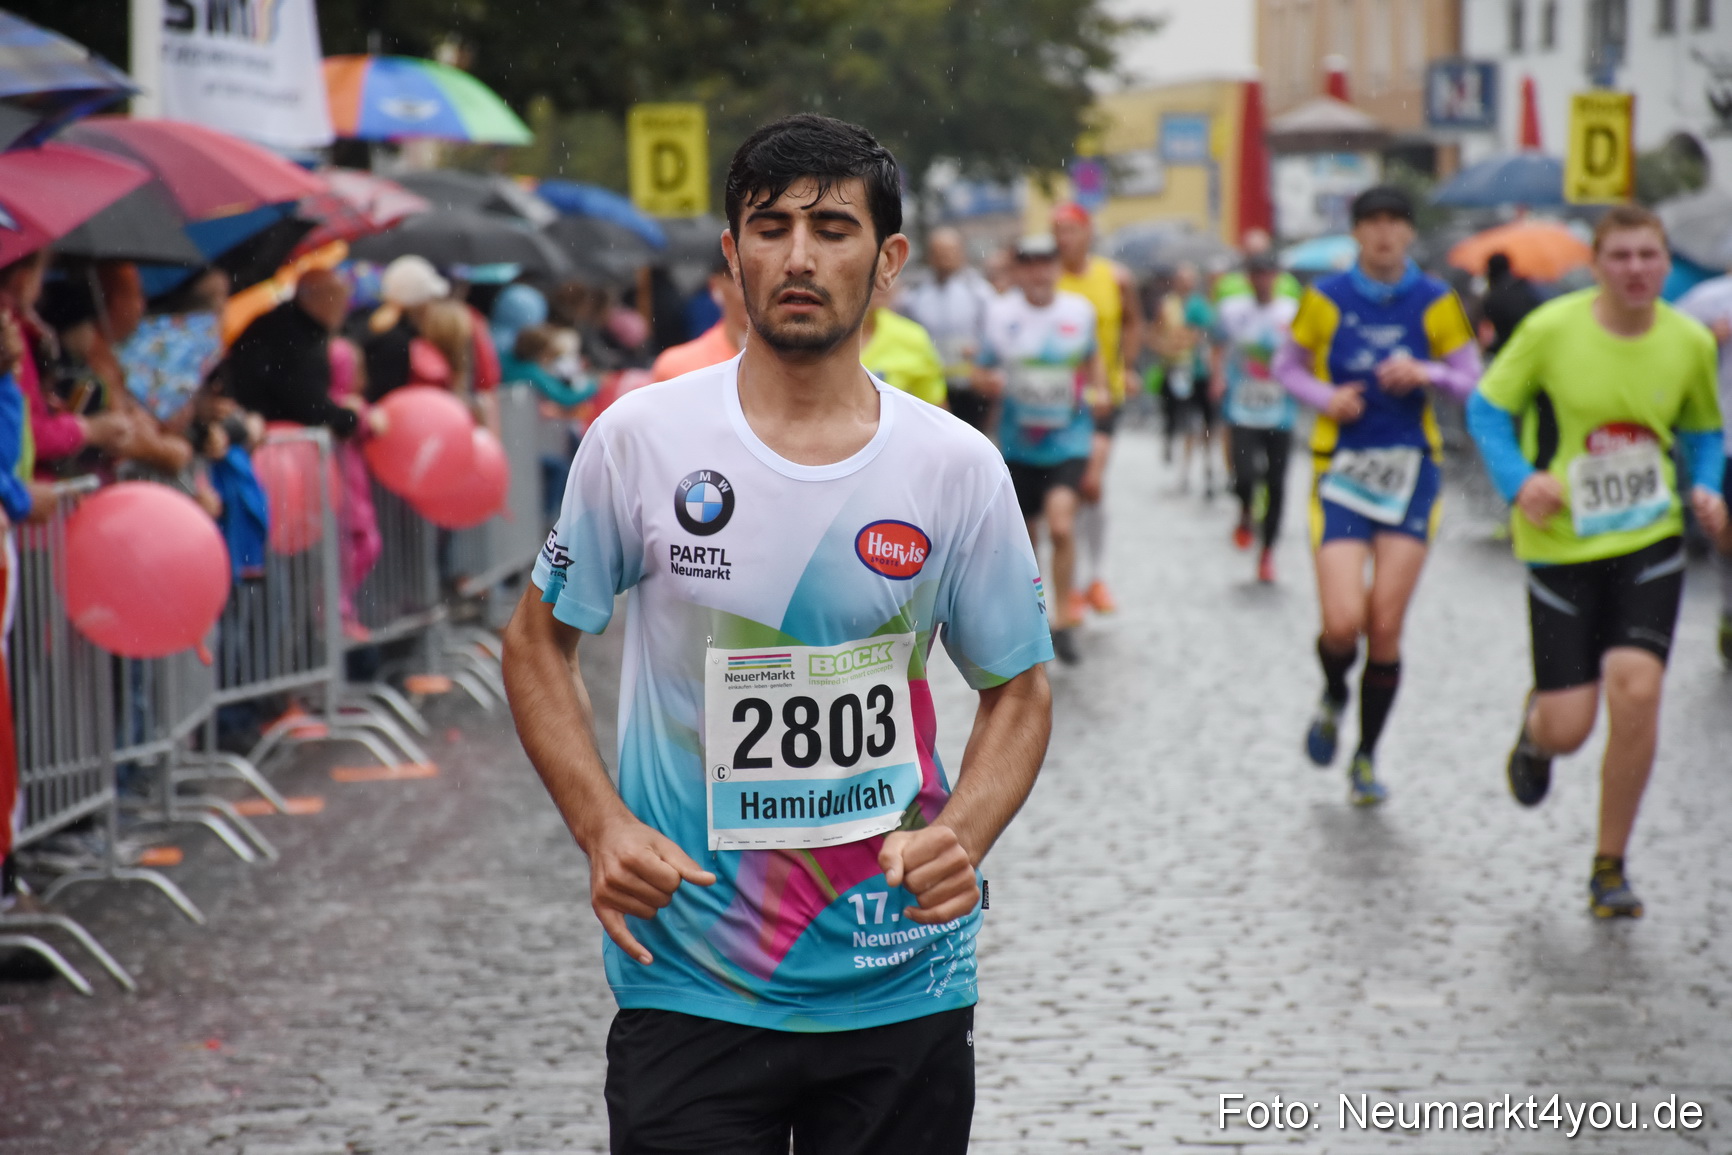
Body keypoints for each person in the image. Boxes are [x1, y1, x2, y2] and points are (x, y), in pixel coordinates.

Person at [502, 113, 1053, 1155]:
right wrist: (601, 827)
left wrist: (964, 837)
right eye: (769, 226)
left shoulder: (953, 466)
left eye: (833, 228)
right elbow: (537, 642)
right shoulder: (639, 440)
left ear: (888, 261)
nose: (799, 256)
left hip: (898, 970)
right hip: (689, 974)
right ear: (731, 254)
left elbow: (1017, 687)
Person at [1467, 206, 1725, 919]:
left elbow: (1703, 429)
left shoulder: (1689, 342)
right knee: (1571, 724)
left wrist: (1705, 484)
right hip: (1561, 546)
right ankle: (1536, 733)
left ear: (1667, 264)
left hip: (1649, 540)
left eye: (1650, 256)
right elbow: (1485, 410)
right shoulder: (1551, 331)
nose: (1637, 270)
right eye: (1621, 257)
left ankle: (1610, 864)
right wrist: (1522, 479)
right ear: (1596, 265)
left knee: (1636, 689)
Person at [1274, 185, 1481, 806]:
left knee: (1384, 626)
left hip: (1412, 471)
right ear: (1356, 233)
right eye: (1374, 223)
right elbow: (1288, 368)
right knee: (1343, 625)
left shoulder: (1435, 300)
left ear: (1410, 234)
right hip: (1340, 470)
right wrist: (1324, 398)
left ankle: (1365, 756)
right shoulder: (1326, 298)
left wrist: (1429, 373)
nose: (1385, 234)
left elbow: (1473, 381)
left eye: (1396, 223)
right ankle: (1335, 691)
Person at [977, 234, 1106, 665]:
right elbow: (980, 372)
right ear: (1017, 270)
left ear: (1057, 266)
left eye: (1046, 261)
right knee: (1027, 542)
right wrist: (990, 382)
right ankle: (1034, 619)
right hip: (1018, 446)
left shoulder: (1078, 312)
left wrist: (1101, 389)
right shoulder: (999, 314)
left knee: (1063, 526)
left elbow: (1093, 362)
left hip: (1069, 439)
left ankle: (1066, 618)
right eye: (1029, 263)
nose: (1039, 271)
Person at [1054, 202, 1141, 618]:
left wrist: (1129, 366)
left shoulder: (1115, 277)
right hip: (1059, 404)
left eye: (1071, 230)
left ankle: (1097, 578)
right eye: (1058, 231)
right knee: (1064, 493)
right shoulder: (1047, 280)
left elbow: (1132, 321)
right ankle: (1069, 583)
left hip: (1105, 395)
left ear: (1088, 233)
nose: (1064, 238)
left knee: (1091, 483)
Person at [1214, 253, 1300, 583]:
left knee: (1277, 483)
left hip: (1281, 412)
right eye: (1256, 274)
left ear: (1276, 277)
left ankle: (1267, 553)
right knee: (1244, 474)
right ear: (1248, 278)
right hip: (1242, 408)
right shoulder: (1233, 311)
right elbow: (1218, 345)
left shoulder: (1290, 313)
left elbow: (1306, 354)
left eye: (1267, 274)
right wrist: (1218, 376)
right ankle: (1246, 510)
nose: (1262, 280)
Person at [222, 270, 369, 440]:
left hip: (263, 424)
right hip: (266, 435)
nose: (344, 308)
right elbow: (308, 404)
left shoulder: (291, 324)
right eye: (336, 298)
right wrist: (349, 417)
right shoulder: (293, 335)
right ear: (311, 297)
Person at [1674, 268, 1732, 664]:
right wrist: (1710, 339)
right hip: (1723, 435)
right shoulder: (1706, 299)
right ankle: (1729, 606)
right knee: (1725, 532)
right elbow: (1665, 353)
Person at [901, 227, 996, 429]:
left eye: (950, 251)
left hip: (970, 385)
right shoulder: (915, 296)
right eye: (939, 252)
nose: (944, 258)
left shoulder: (980, 292)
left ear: (961, 253)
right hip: (931, 385)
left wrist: (982, 362)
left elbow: (991, 334)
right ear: (930, 256)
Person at [650, 249, 748, 381]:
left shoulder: (784, 368)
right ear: (715, 285)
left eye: (759, 275)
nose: (750, 289)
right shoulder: (678, 367)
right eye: (738, 277)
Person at [860, 283, 947, 407]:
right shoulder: (824, 334)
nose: (880, 281)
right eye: (870, 270)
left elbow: (937, 412)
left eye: (886, 268)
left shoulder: (912, 337)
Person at [1477, 251, 1542, 360]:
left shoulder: (1492, 298)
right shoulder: (1525, 287)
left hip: (1512, 351)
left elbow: (1491, 334)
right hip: (1535, 343)